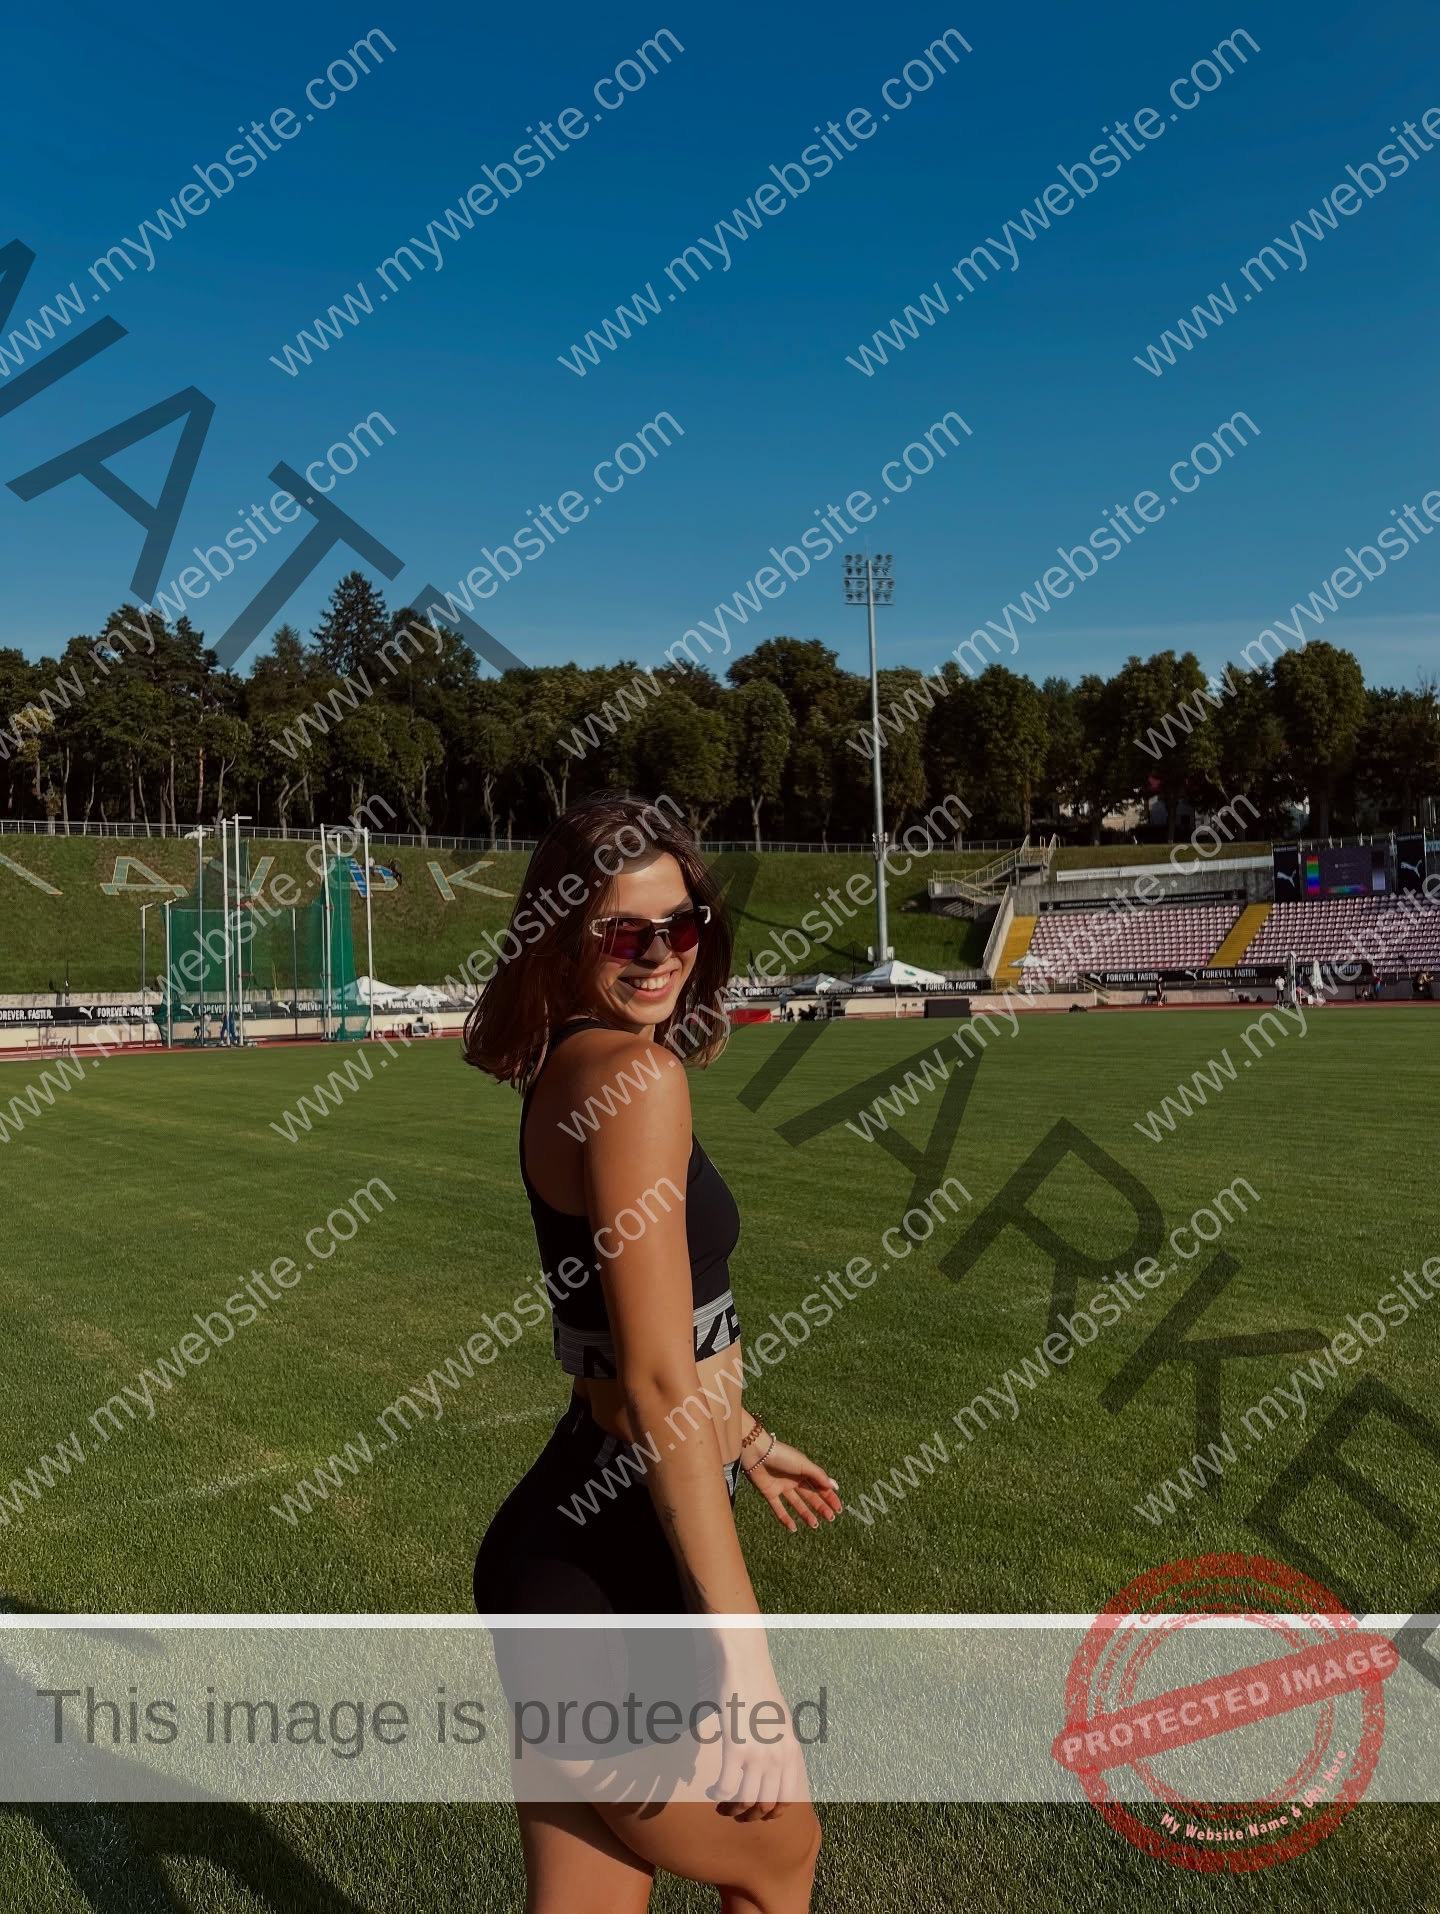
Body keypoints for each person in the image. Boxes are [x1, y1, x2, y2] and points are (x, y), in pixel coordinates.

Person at [466, 792, 839, 1914]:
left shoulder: (582, 1065)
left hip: (563, 1560)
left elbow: (645, 1355)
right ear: (562, 936)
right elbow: (661, 1377)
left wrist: (753, 1438)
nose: (663, 954)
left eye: (685, 926)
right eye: (626, 933)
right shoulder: (634, 1081)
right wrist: (749, 1667)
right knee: (781, 1856)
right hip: (613, 1575)